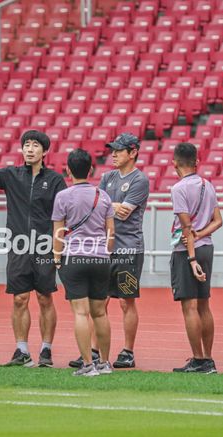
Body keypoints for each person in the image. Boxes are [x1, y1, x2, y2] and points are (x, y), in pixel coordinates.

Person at [0, 131, 67, 368]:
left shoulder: (56, 180)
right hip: (18, 246)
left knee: (45, 297)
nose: (29, 149)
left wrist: (58, 245)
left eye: (35, 145)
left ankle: (46, 350)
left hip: (44, 247)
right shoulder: (11, 175)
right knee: (20, 298)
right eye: (26, 145)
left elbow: (64, 213)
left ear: (44, 152)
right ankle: (21, 350)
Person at [68, 133, 150, 369]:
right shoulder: (107, 177)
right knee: (99, 302)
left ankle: (128, 351)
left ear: (132, 152)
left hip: (129, 249)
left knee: (126, 301)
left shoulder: (139, 180)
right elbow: (102, 207)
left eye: (119, 150)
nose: (113, 154)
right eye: (112, 150)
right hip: (106, 248)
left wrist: (107, 206)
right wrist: (110, 207)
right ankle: (94, 351)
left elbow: (123, 212)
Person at [52, 149, 115, 376]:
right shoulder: (104, 196)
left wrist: (57, 259)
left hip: (75, 257)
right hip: (100, 258)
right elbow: (111, 232)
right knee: (100, 313)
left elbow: (58, 232)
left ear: (68, 170)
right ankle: (105, 363)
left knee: (81, 313)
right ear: (91, 169)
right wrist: (105, 253)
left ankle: (88, 364)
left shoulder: (63, 196)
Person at [169, 142, 223, 374]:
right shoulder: (207, 185)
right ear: (196, 162)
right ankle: (208, 358)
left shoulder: (178, 189)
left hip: (187, 252)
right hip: (206, 247)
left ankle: (198, 358)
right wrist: (201, 235)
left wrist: (191, 259)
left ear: (174, 163)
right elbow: (218, 221)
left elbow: (186, 228)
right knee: (204, 304)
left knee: (189, 306)